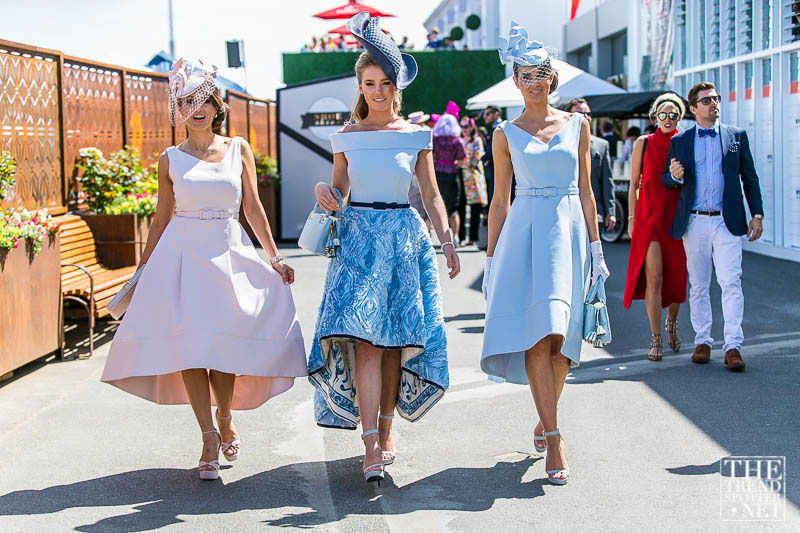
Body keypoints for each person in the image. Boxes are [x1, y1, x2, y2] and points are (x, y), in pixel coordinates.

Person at [100, 59, 307, 480]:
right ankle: (208, 435)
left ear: (217, 106)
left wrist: (275, 257)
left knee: (222, 347)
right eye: (187, 102)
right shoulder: (169, 159)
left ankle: (225, 416)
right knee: (191, 350)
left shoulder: (238, 148)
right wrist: (143, 270)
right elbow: (160, 219)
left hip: (228, 254)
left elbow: (253, 208)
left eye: (204, 101)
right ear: (178, 109)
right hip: (182, 260)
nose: (197, 109)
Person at [308, 12, 461, 486]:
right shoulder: (345, 137)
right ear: (360, 87)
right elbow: (338, 190)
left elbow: (431, 194)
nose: (378, 91)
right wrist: (323, 192)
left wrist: (447, 240)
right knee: (367, 345)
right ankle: (370, 442)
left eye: (385, 83)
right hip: (358, 241)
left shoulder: (416, 135)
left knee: (395, 344)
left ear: (397, 87)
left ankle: (388, 428)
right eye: (369, 83)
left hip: (404, 240)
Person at [481, 24, 610, 486]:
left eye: (541, 74)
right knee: (538, 337)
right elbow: (499, 201)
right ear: (515, 81)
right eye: (526, 75)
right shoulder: (503, 133)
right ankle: (554, 437)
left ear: (552, 77)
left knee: (563, 343)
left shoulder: (578, 124)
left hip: (570, 235)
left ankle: (544, 417)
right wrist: (490, 260)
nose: (534, 82)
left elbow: (587, 191)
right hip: (524, 238)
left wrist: (596, 248)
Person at [663, 81, 764, 371]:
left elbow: (749, 177)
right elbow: (666, 179)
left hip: (726, 221)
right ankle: (702, 340)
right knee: (698, 284)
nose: (713, 104)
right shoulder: (681, 141)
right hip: (695, 221)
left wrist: (757, 214)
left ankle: (733, 345)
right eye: (706, 100)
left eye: (716, 98)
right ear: (693, 108)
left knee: (731, 282)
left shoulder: (736, 136)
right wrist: (674, 176)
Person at [623, 93, 688, 361]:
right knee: (655, 278)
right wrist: (631, 218)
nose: (668, 118)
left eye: (673, 114)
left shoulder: (685, 142)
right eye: (663, 114)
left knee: (676, 277)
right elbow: (633, 184)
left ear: (680, 117)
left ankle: (671, 323)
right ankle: (656, 337)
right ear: (655, 116)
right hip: (648, 219)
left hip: (676, 219)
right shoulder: (644, 142)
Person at [567, 98, 616, 234]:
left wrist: (610, 211)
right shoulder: (560, 143)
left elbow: (607, 181)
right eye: (580, 114)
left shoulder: (601, 145)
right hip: (568, 211)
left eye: (588, 114)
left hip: (594, 212)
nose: (585, 117)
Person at [433, 113, 467, 244]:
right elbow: (462, 159)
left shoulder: (435, 140)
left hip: (438, 173)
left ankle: (440, 237)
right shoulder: (457, 141)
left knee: (438, 205)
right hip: (452, 174)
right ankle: (456, 236)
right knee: (453, 208)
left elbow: (432, 156)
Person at [459, 115, 488, 244]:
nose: (464, 129)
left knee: (475, 208)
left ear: (472, 127)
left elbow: (477, 158)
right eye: (461, 127)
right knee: (460, 206)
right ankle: (460, 236)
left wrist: (462, 163)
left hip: (473, 177)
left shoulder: (477, 140)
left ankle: (473, 237)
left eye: (466, 126)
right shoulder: (459, 140)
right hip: (461, 176)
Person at [481, 105, 502, 204]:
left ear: (496, 114)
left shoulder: (499, 128)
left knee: (496, 200)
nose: (485, 117)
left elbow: (491, 150)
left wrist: (480, 160)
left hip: (498, 169)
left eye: (487, 114)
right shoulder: (497, 128)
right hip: (496, 168)